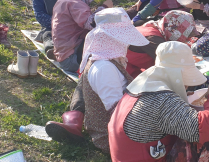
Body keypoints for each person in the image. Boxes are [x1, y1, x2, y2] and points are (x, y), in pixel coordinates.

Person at [45, 8, 149, 151]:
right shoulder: (104, 68)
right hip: (112, 138)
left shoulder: (104, 60)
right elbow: (118, 113)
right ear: (112, 39)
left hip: (117, 129)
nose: (126, 43)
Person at [51, 0, 112, 73]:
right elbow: (92, 24)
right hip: (71, 59)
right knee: (103, 38)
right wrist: (105, 7)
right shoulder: (75, 4)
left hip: (64, 54)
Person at [125, 10, 198, 78]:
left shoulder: (156, 27)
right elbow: (171, 65)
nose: (187, 39)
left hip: (140, 67)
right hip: (129, 73)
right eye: (185, 36)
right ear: (175, 32)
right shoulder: (154, 40)